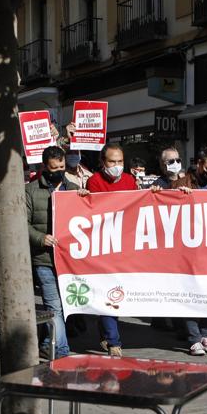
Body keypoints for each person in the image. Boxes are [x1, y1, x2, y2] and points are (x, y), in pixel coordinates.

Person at [168, 147, 207, 355]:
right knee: (189, 294)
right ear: (199, 164)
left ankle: (205, 333)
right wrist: (178, 197)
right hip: (186, 250)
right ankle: (193, 337)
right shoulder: (180, 185)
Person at [86, 143, 137, 357]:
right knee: (109, 293)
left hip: (125, 247)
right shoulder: (94, 181)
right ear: (102, 163)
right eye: (111, 162)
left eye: (120, 162)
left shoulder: (129, 180)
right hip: (104, 247)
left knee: (117, 294)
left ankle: (106, 333)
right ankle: (114, 342)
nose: (116, 166)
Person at [26, 146, 75, 358]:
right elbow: (22, 223)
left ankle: (48, 342)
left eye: (62, 167)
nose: (59, 171)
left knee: (64, 305)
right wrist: (40, 238)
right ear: (45, 167)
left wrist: (85, 199)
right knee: (54, 306)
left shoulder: (72, 188)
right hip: (44, 259)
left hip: (69, 261)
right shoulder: (31, 191)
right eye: (54, 168)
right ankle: (61, 350)